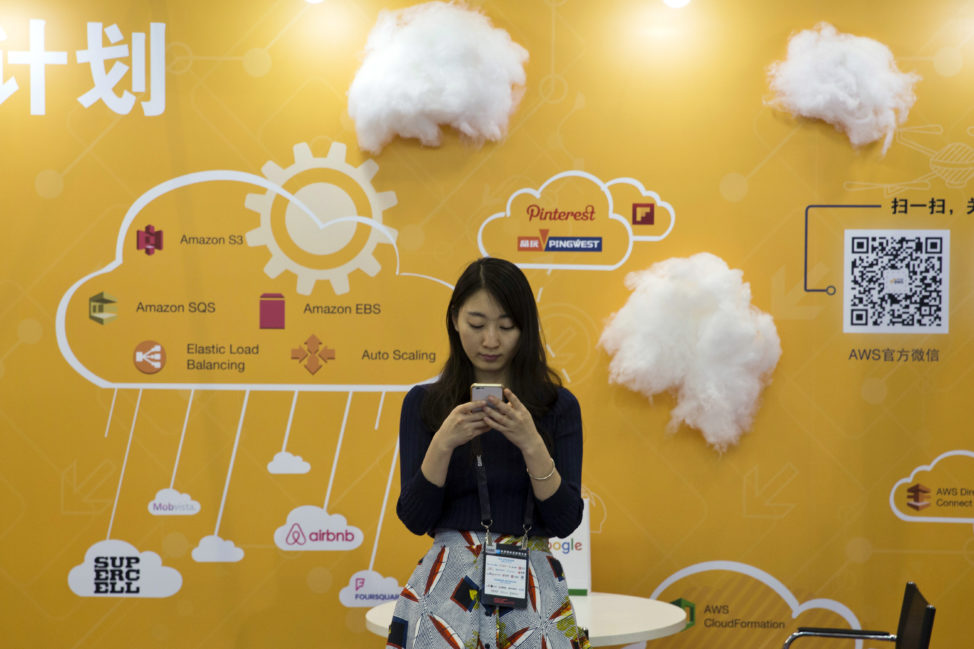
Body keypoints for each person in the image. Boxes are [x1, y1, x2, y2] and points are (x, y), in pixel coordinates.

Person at [386, 257, 589, 649]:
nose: (491, 340)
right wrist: (443, 442)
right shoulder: (424, 404)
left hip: (533, 588)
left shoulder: (557, 406)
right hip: (447, 588)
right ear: (454, 320)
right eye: (477, 324)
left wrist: (531, 441)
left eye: (506, 326)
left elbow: (565, 519)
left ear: (525, 328)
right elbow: (414, 517)